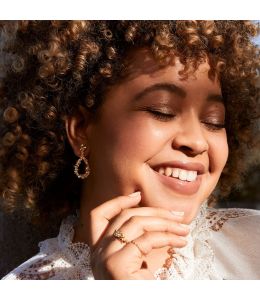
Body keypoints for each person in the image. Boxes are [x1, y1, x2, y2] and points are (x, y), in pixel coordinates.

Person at [0, 20, 259, 280]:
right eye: (162, 111)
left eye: (215, 121)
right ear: (80, 129)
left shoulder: (251, 245)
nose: (197, 141)